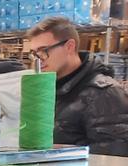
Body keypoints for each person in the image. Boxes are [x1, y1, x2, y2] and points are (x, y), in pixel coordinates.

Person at [27, 16, 128, 157]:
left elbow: (114, 154)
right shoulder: (49, 89)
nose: (38, 60)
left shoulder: (104, 93)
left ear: (69, 46)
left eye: (44, 50)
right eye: (34, 54)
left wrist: (61, 153)